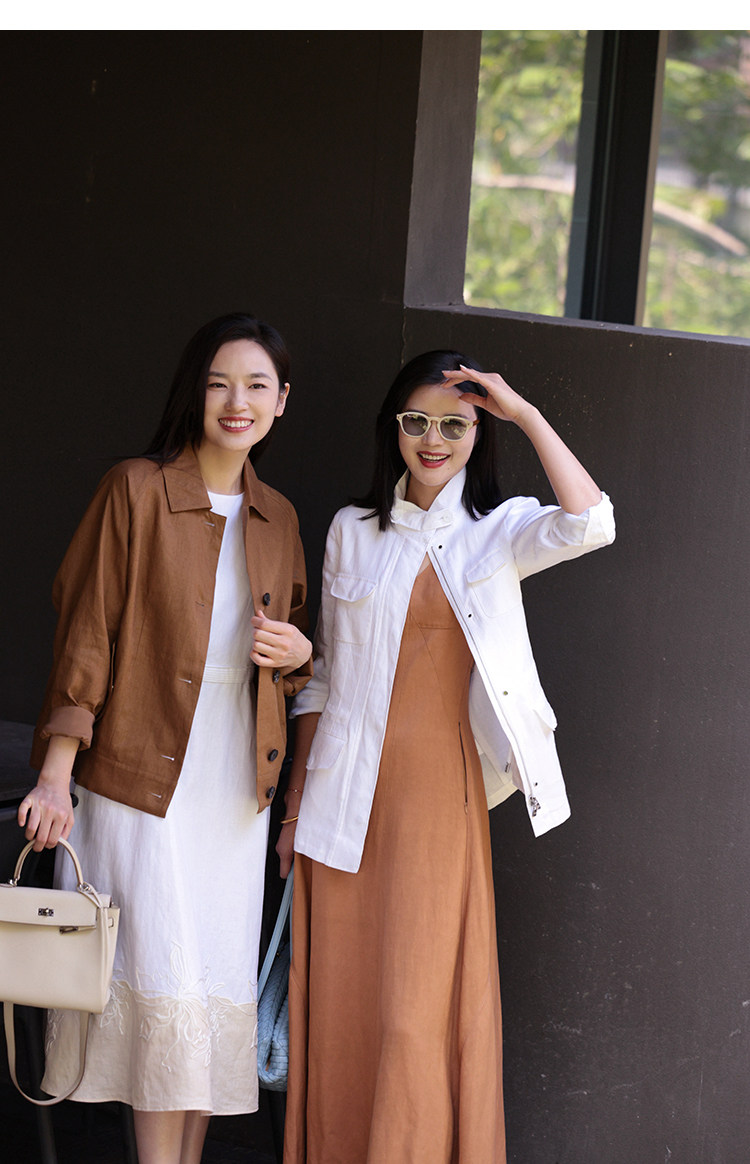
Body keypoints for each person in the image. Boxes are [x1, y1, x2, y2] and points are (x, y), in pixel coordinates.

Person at [277, 350, 615, 1164]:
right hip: (342, 800)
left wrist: (521, 412)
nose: (433, 440)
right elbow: (321, 677)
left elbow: (591, 522)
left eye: (455, 425)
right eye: (417, 422)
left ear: (477, 433)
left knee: (413, 1014)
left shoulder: (498, 530)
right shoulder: (352, 531)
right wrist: (292, 811)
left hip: (439, 801)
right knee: (343, 1007)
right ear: (393, 429)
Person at [19, 313, 313, 1164]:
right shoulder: (136, 489)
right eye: (220, 383)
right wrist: (55, 775)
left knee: (207, 998)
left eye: (257, 386)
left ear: (281, 402)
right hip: (137, 779)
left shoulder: (279, 516)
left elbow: (294, 658)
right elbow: (87, 634)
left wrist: (298, 656)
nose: (237, 402)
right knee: (164, 986)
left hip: (234, 790)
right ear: (195, 390)